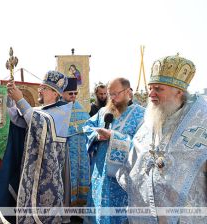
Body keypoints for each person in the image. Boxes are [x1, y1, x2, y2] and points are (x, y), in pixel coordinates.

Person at [116, 55, 207, 224]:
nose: (151, 94)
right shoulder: (152, 118)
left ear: (179, 91)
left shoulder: (201, 120)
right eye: (150, 88)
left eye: (158, 89)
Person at [7, 71, 71, 223]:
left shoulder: (63, 111)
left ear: (55, 94)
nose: (40, 90)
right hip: (31, 170)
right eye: (40, 87)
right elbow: (18, 120)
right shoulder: (40, 110)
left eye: (44, 88)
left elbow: (40, 124)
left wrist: (21, 100)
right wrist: (11, 99)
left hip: (47, 175)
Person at [83, 78, 145, 224]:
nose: (112, 98)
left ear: (128, 92)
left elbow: (142, 144)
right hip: (100, 173)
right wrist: (97, 136)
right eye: (110, 94)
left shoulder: (141, 114)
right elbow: (87, 126)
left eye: (116, 94)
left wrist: (113, 136)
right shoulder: (103, 111)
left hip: (123, 177)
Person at [61, 77, 90, 224]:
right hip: (66, 153)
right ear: (62, 94)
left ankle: (80, 211)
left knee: (82, 177)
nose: (73, 97)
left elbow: (89, 128)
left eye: (75, 94)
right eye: (70, 94)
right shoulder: (58, 109)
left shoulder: (80, 108)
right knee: (67, 181)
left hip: (82, 154)